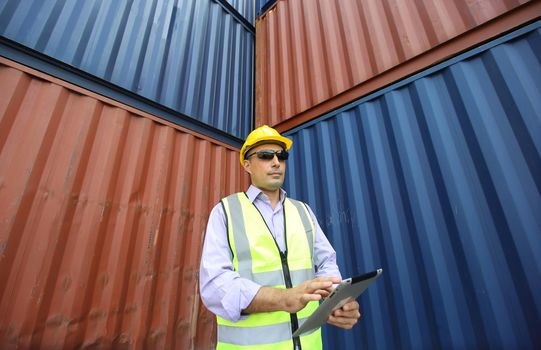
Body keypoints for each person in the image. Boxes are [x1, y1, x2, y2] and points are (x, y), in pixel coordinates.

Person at [199, 125, 361, 349]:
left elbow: (326, 263)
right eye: (266, 156)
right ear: (247, 165)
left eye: (281, 156)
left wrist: (339, 300)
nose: (276, 162)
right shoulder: (226, 211)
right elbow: (215, 286)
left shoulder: (303, 211)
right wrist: (284, 298)